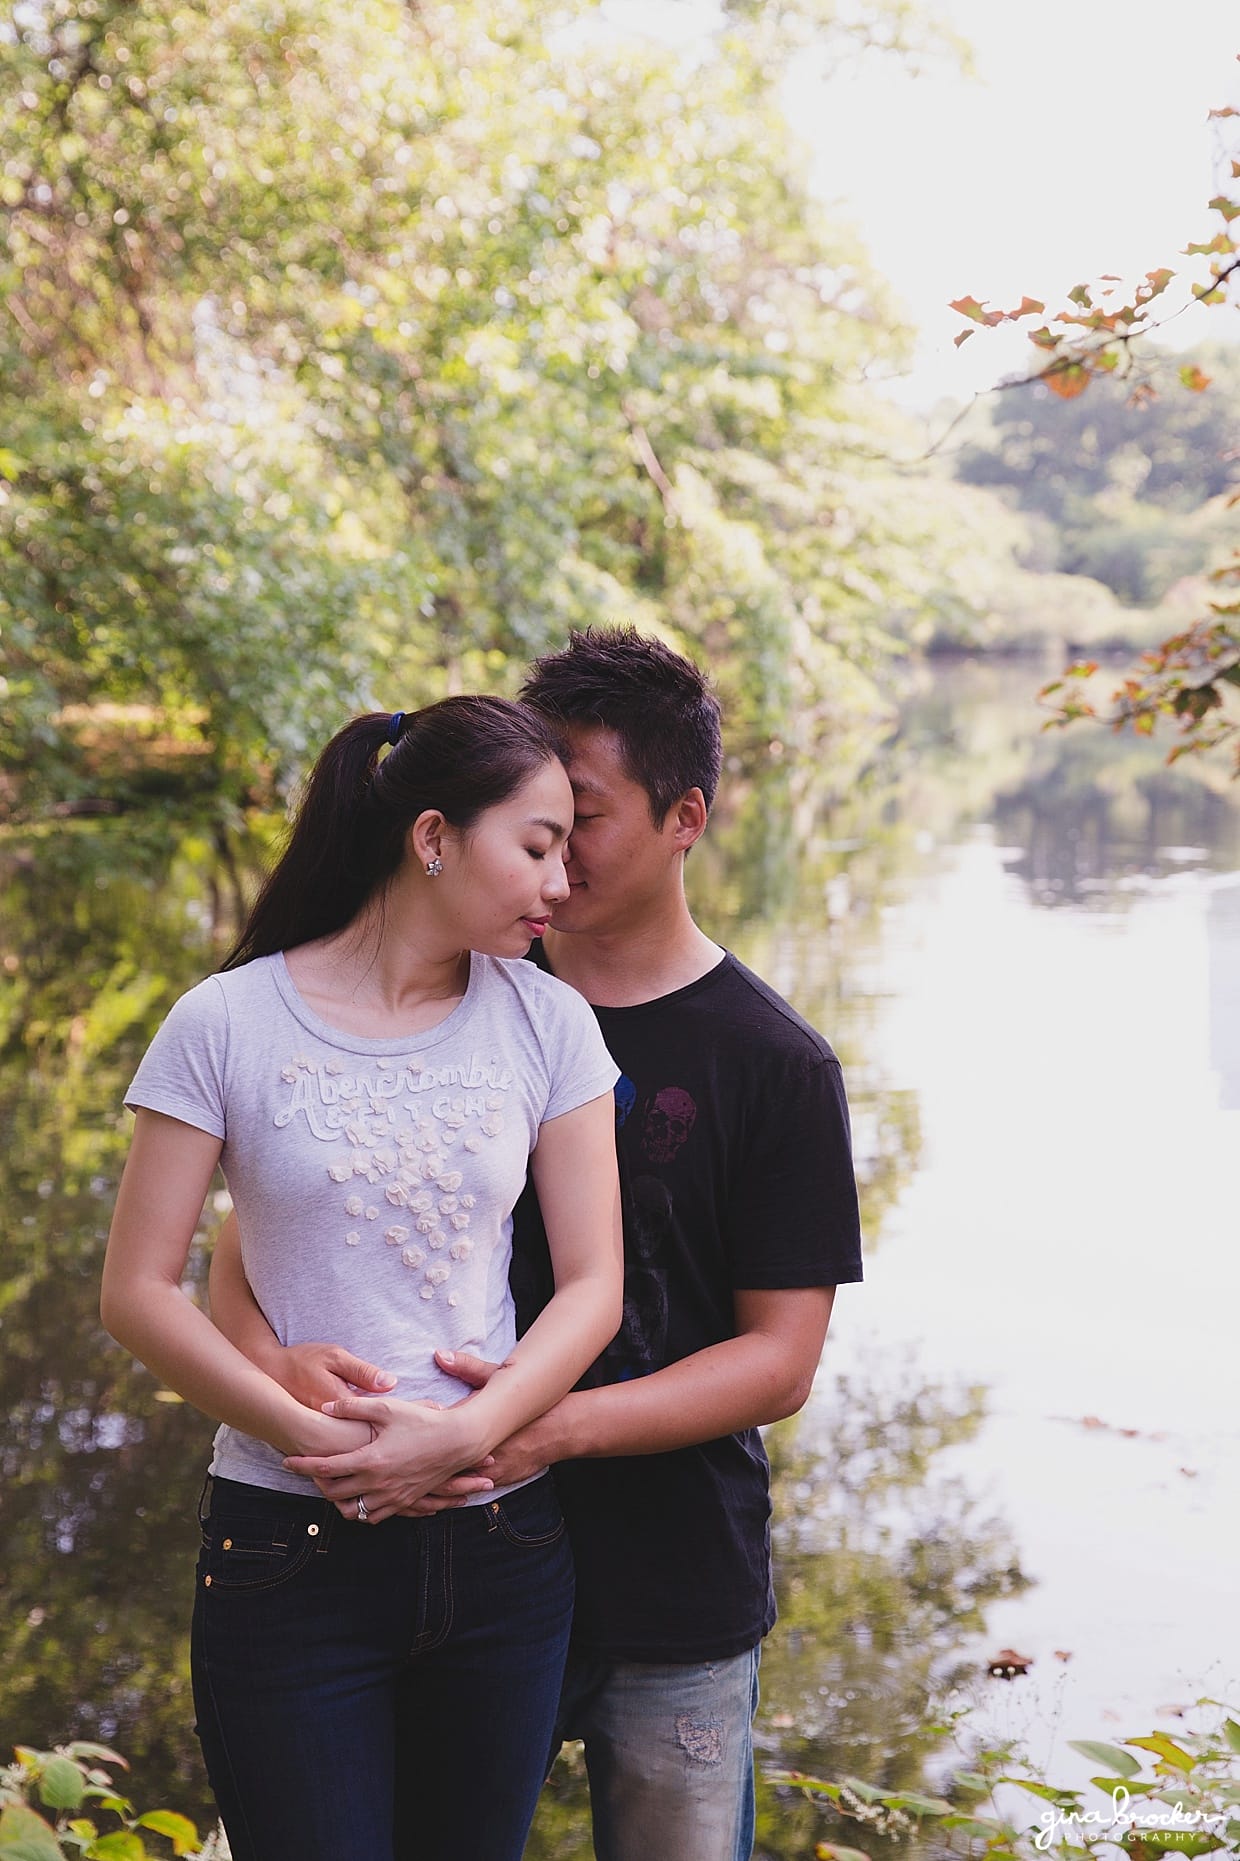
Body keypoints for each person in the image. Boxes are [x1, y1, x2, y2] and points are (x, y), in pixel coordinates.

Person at [211, 630, 863, 1861]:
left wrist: (526, 1426)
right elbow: (255, 1243)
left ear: (686, 818)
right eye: (537, 817)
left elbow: (779, 1362)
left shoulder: (773, 1063)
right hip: (422, 1553)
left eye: (587, 817)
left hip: (665, 1582)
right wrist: (275, 1364)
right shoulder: (444, 995)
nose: (555, 853)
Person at [100, 696, 624, 1861]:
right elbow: (137, 1289)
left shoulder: (550, 1022)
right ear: (432, 836)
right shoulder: (223, 1021)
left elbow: (594, 1286)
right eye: (535, 846)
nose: (560, 883)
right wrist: (311, 1437)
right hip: (288, 1555)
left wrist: (466, 1432)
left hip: (501, 1550)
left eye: (568, 854)